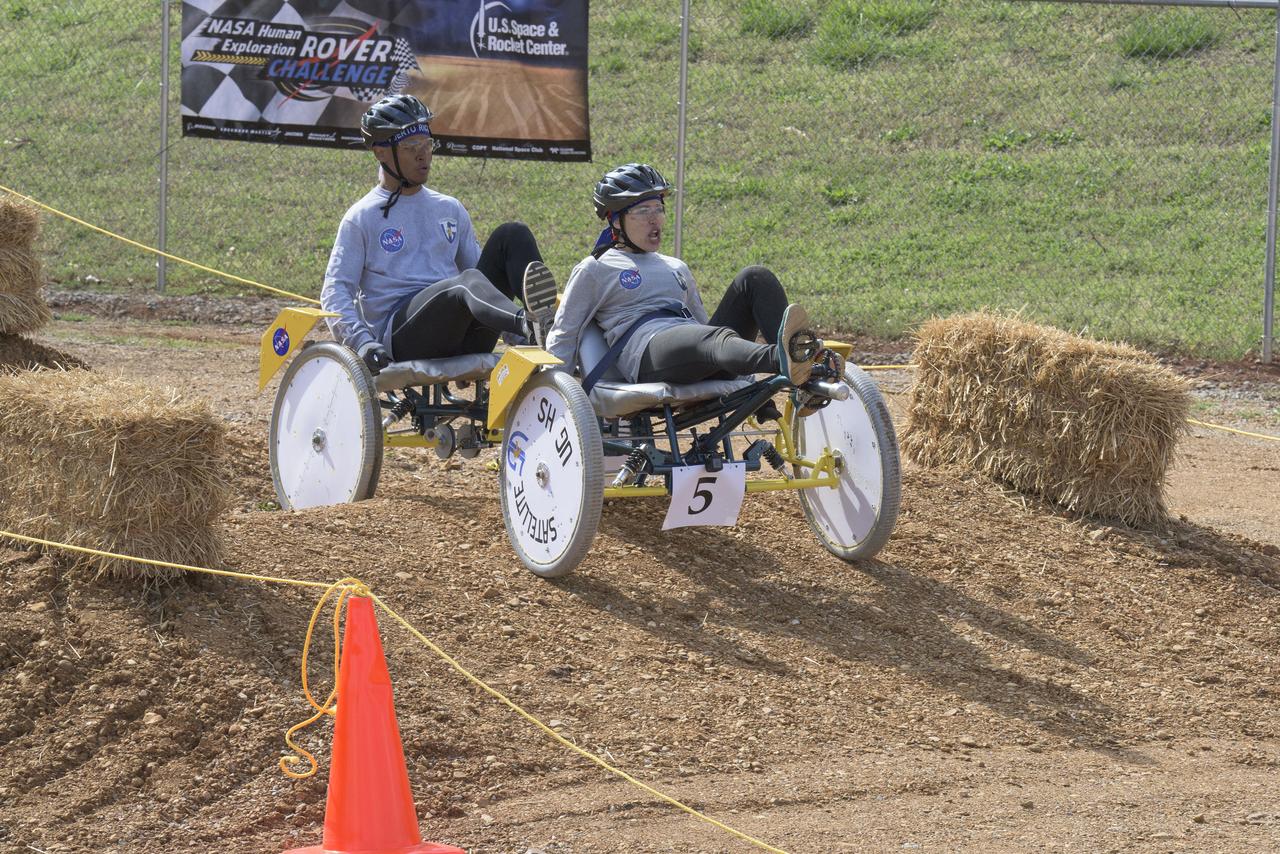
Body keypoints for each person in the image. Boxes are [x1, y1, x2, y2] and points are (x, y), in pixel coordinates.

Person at [544, 162, 836, 398]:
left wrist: (749, 390)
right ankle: (789, 359)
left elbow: (705, 328)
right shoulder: (596, 268)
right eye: (643, 211)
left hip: (696, 353)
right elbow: (565, 333)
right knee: (709, 340)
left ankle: (801, 383)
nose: (655, 219)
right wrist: (551, 394)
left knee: (754, 278)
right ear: (615, 220)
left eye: (658, 209)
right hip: (648, 354)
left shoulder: (676, 267)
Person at [321, 94, 557, 375]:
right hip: (405, 338)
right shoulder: (361, 217)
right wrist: (362, 343)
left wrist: (520, 343)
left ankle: (537, 334)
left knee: (512, 235)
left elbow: (485, 289)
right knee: (464, 283)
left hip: (462, 330)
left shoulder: (449, 208)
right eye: (411, 147)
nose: (423, 155)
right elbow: (335, 291)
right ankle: (532, 325)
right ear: (380, 152)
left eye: (427, 145)